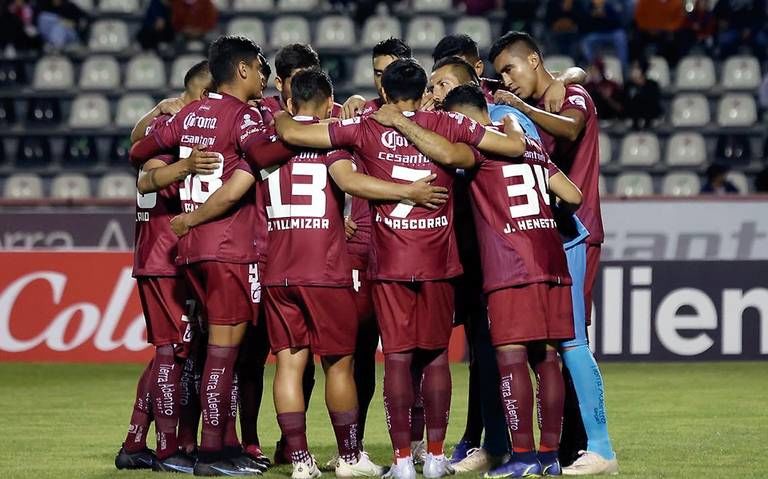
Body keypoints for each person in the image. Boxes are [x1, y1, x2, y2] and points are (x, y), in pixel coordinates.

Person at [274, 57, 528, 479]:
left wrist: (284, 113)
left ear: (385, 92)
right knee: (436, 358)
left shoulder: (365, 126)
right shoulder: (448, 124)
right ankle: (435, 457)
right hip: (438, 263)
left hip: (390, 263)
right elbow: (512, 147)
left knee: (396, 359)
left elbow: (294, 132)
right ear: (424, 91)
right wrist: (513, 123)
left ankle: (403, 462)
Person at [261, 67, 447, 479]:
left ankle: (301, 462)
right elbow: (350, 182)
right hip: (324, 269)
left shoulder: (266, 142)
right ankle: (349, 457)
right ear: (330, 103)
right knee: (339, 365)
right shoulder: (334, 143)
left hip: (277, 270)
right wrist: (408, 192)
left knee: (288, 366)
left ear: (289, 102)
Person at [130, 34, 296, 476]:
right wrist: (303, 130)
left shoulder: (189, 115)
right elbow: (264, 153)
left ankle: (219, 448)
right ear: (241, 69)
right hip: (229, 248)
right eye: (258, 67)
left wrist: (179, 162)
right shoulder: (243, 116)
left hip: (191, 251)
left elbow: (139, 150)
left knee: (211, 353)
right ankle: (212, 453)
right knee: (224, 355)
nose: (263, 76)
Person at [491, 31, 619, 475]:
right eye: (501, 74)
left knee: (572, 341)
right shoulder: (545, 97)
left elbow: (572, 127)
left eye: (510, 68)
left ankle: (599, 448)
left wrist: (527, 104)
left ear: (533, 59)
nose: (507, 80)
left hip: (577, 231)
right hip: (549, 237)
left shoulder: (571, 98)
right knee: (554, 345)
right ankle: (563, 449)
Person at [439, 83, 582, 478]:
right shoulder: (531, 145)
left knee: (511, 357)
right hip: (552, 260)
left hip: (510, 265)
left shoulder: (477, 148)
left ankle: (522, 456)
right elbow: (573, 195)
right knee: (548, 359)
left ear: (459, 117)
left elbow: (447, 157)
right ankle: (550, 457)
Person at [115, 60, 213, 474]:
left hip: (164, 255)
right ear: (204, 95)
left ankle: (136, 441)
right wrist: (187, 165)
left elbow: (135, 142)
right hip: (165, 257)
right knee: (173, 352)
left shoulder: (162, 125)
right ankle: (169, 449)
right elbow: (148, 175)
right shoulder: (175, 131)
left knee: (170, 353)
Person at [430, 33, 588, 114]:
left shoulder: (502, 90)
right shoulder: (433, 100)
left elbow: (578, 73)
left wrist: (560, 81)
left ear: (478, 68)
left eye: (457, 68)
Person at [341, 37, 412, 118]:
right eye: (378, 74)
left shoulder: (423, 110)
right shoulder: (362, 113)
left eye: (391, 73)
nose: (383, 81)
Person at [580, 0, 629, 70]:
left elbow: (619, 22)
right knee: (586, 41)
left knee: (621, 37)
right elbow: (585, 26)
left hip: (613, 32)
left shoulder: (611, 5)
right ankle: (593, 66)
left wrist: (605, 15)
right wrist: (593, 16)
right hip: (598, 33)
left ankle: (623, 68)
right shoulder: (589, 7)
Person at [625, 57, 662, 129]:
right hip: (633, 122)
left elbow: (653, 105)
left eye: (635, 68)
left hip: (649, 121)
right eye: (632, 68)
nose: (632, 70)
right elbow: (626, 106)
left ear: (642, 70)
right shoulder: (628, 85)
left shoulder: (653, 85)